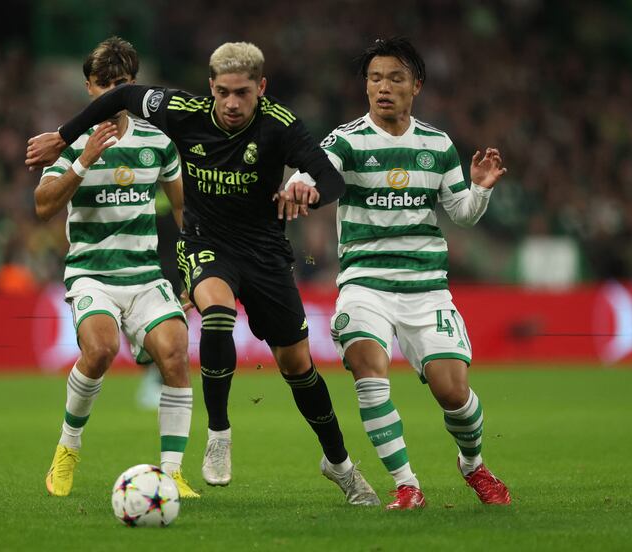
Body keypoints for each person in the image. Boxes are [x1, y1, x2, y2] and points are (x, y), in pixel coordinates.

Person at [27, 41, 379, 506]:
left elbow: (186, 204)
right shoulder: (160, 119)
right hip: (145, 261)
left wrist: (305, 188)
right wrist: (70, 142)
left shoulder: (216, 133)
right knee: (145, 334)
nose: (232, 103)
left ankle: (329, 464)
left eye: (243, 93)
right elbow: (45, 203)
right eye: (224, 92)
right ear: (210, 89)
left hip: (242, 258)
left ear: (261, 89)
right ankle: (196, 438)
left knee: (269, 363)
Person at [286, 37, 512, 509]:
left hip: (426, 288)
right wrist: (298, 184)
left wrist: (480, 189)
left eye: (394, 78)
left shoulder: (437, 144)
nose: (382, 87)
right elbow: (315, 171)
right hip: (364, 283)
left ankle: (472, 465)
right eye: (374, 78)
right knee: (369, 369)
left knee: (454, 393)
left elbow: (462, 213)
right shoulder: (347, 140)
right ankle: (407, 484)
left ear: (416, 86)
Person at [34, 36, 199, 499]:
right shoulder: (71, 142)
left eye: (121, 85)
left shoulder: (157, 141)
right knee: (101, 350)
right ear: (89, 87)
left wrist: (194, 269)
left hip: (146, 276)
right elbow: (43, 206)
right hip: (93, 274)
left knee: (175, 353)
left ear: (133, 86)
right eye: (103, 84)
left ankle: (171, 474)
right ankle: (68, 449)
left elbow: (184, 211)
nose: (111, 94)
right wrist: (83, 161)